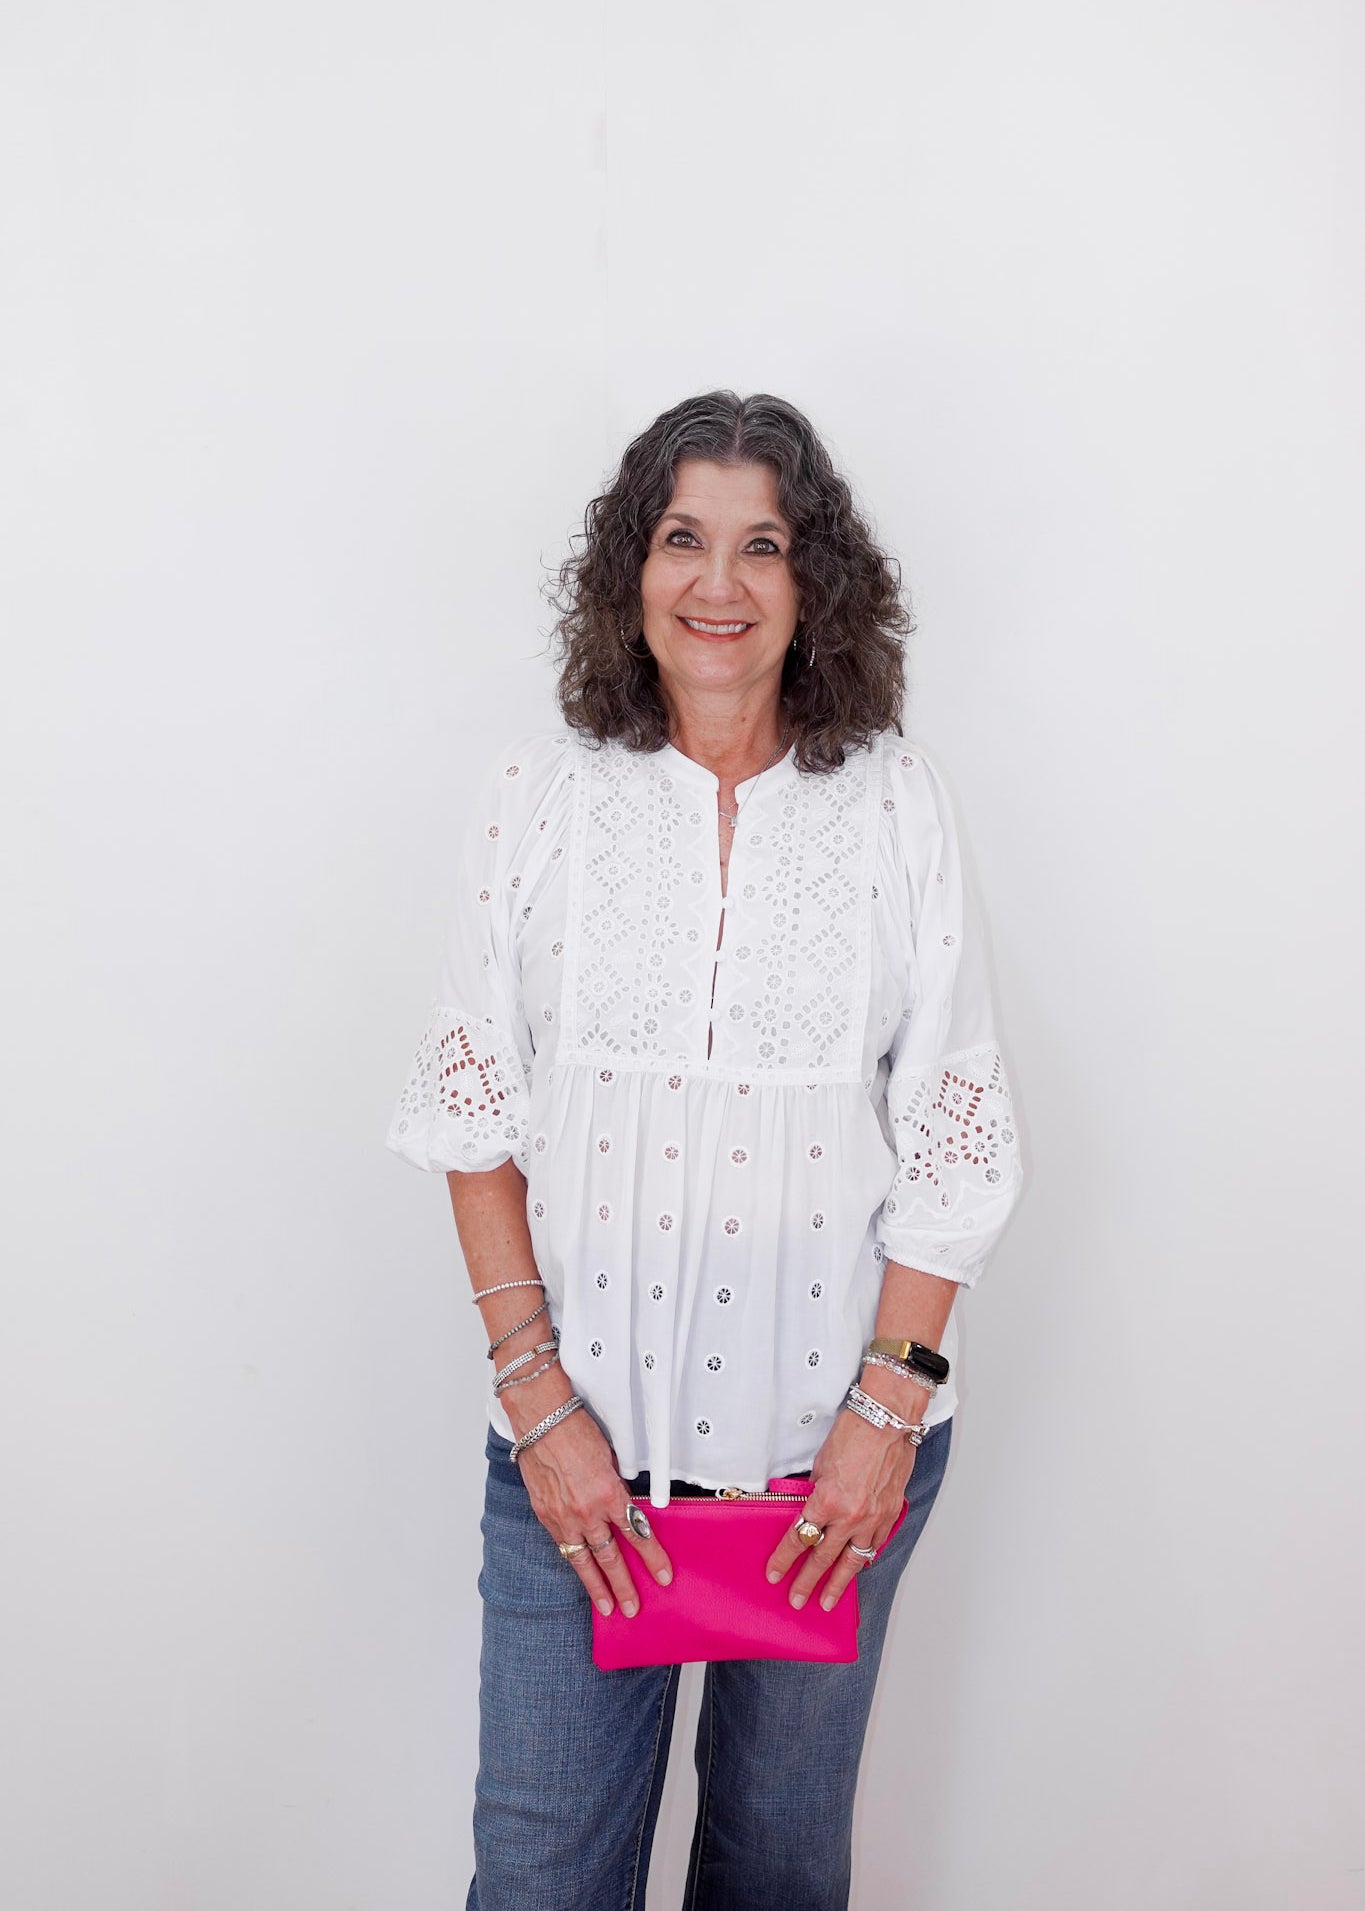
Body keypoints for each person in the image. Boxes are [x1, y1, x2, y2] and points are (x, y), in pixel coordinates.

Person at [386, 389, 1024, 1910]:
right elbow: (475, 1116)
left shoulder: (891, 806)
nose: (717, 585)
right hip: (576, 1474)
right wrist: (540, 1406)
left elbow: (954, 1127)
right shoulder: (537, 796)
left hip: (828, 1475)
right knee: (541, 1880)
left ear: (815, 588)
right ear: (632, 570)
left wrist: (884, 1413)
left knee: (776, 1876)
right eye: (682, 539)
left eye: (761, 545)